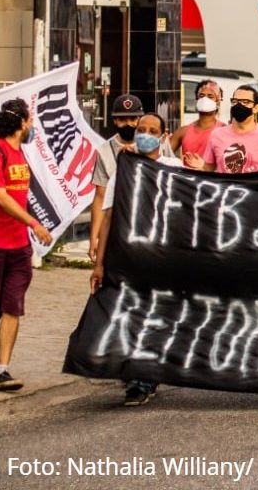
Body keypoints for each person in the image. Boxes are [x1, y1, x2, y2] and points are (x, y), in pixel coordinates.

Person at [92, 112, 182, 406]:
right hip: (127, 256)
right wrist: (99, 263)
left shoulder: (173, 167)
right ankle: (135, 376)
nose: (143, 133)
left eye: (151, 130)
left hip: (162, 257)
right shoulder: (124, 168)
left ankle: (145, 376)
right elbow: (108, 216)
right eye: (141, 128)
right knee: (129, 315)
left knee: (154, 316)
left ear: (163, 135)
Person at [0, 99, 52, 393]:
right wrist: (34, 223)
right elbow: (1, 197)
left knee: (13, 306)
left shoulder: (21, 155)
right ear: (20, 122)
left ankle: (1, 370)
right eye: (30, 120)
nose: (32, 126)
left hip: (19, 247)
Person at [90, 94, 144, 264]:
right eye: (122, 119)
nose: (128, 124)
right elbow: (100, 196)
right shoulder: (104, 152)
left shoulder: (152, 145)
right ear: (114, 121)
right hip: (117, 225)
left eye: (133, 119)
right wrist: (94, 238)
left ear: (139, 119)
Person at [194, 85, 258, 174]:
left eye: (245, 102)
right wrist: (200, 167)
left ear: (256, 108)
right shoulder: (217, 135)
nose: (239, 105)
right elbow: (209, 169)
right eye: (235, 101)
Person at [170, 80, 225, 167]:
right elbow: (162, 154)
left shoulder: (224, 131)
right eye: (201, 96)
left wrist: (204, 167)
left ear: (218, 101)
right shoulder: (183, 131)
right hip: (188, 179)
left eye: (210, 96)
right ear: (196, 99)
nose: (205, 99)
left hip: (213, 180)